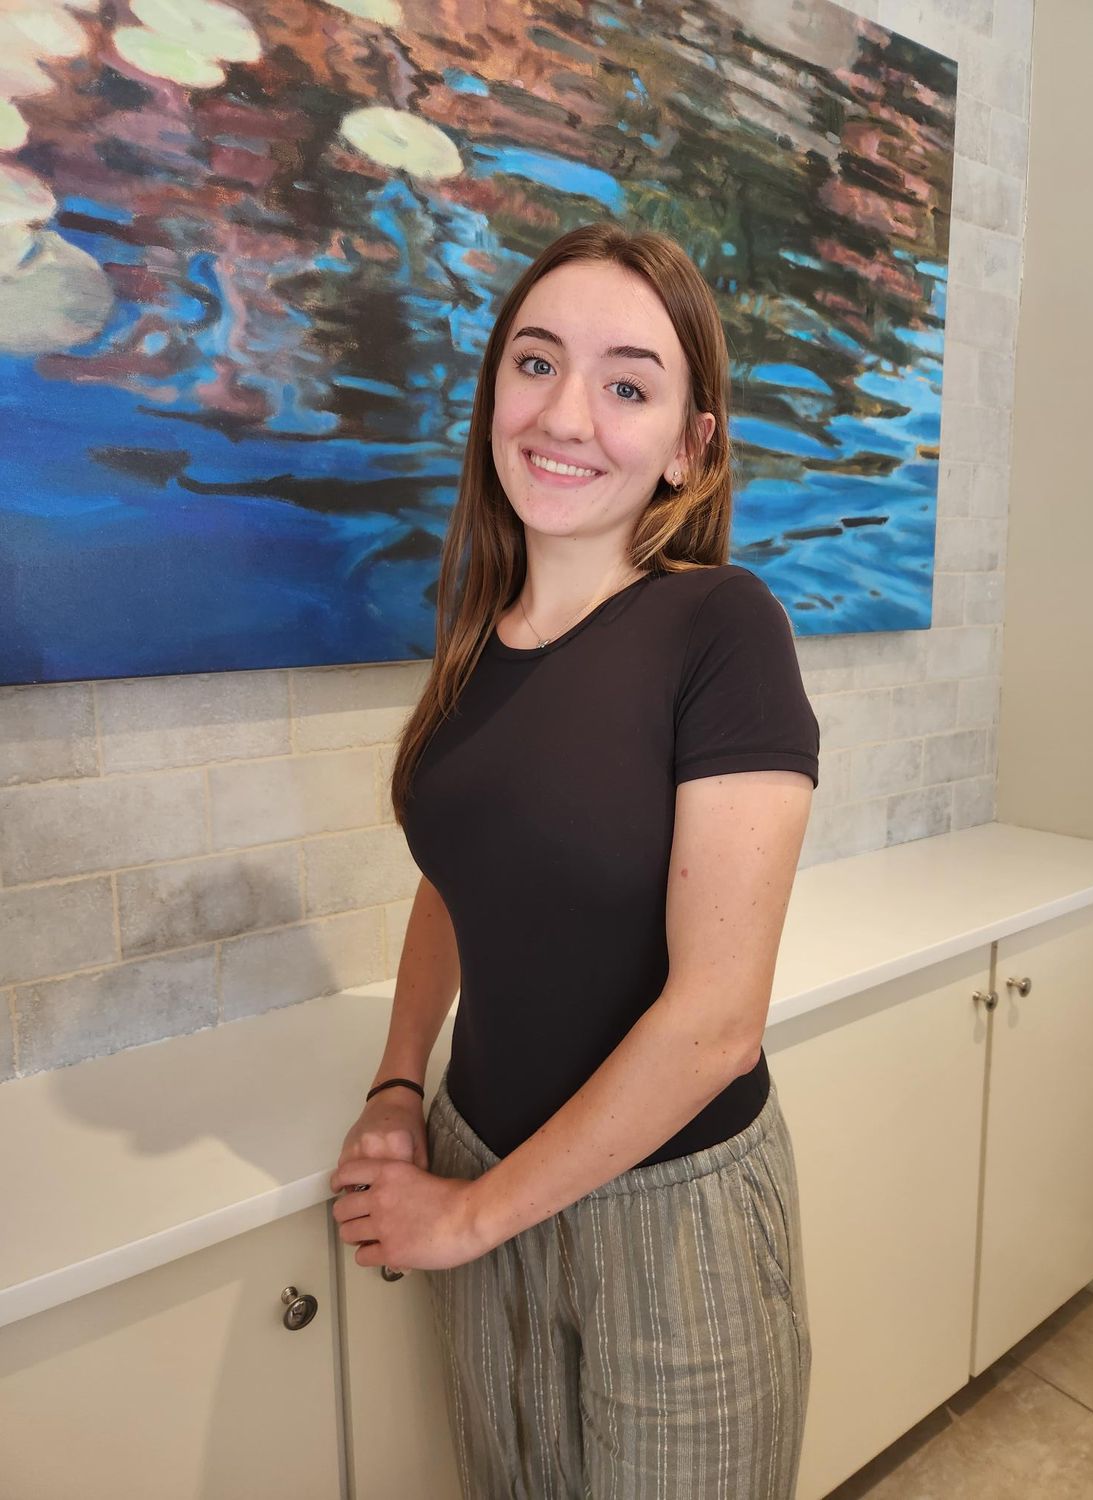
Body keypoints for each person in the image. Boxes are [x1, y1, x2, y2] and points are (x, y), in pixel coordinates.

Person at [330, 221, 820, 1498]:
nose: (566, 414)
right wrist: (398, 1081)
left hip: (673, 1217)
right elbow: (457, 878)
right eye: (536, 363)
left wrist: (467, 1220)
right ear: (494, 391)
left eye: (628, 385)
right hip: (475, 1162)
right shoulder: (477, 634)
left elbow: (717, 1023)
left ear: (689, 447)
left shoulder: (723, 627)